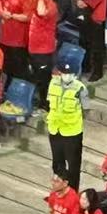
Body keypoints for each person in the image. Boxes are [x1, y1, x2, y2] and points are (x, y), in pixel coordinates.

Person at [44, 57, 86, 188]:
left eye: (70, 74)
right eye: (64, 73)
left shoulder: (80, 88)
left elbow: (86, 108)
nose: (66, 76)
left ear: (75, 74)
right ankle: (59, 189)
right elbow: (49, 103)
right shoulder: (53, 83)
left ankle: (72, 192)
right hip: (55, 129)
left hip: (72, 132)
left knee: (73, 166)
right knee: (57, 163)